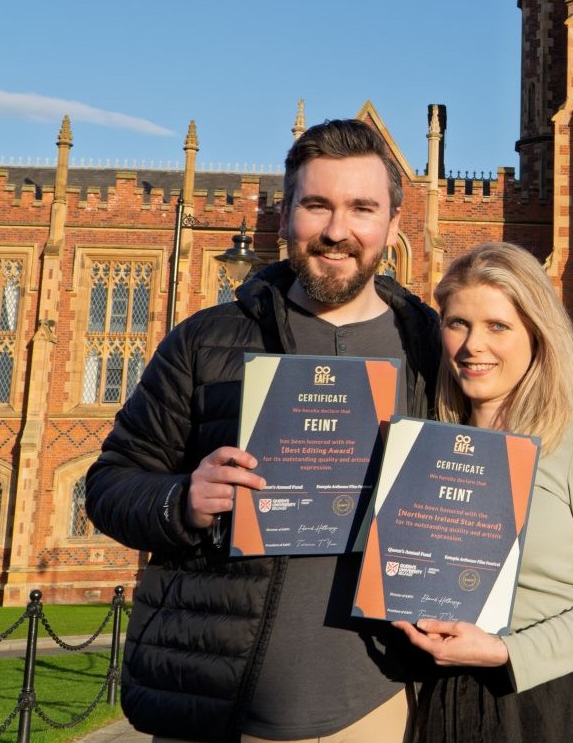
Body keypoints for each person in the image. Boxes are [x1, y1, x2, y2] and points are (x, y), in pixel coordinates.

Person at [85, 119, 441, 742]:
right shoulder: (205, 341)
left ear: (392, 226)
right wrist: (183, 501)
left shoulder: (433, 351)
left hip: (375, 707)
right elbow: (109, 483)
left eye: (362, 208)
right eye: (316, 205)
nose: (337, 230)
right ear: (284, 218)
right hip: (213, 706)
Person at [395, 242, 573, 742]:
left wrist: (505, 652)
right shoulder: (430, 438)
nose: (473, 345)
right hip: (452, 695)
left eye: (498, 326)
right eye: (458, 323)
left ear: (537, 333)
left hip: (561, 696)